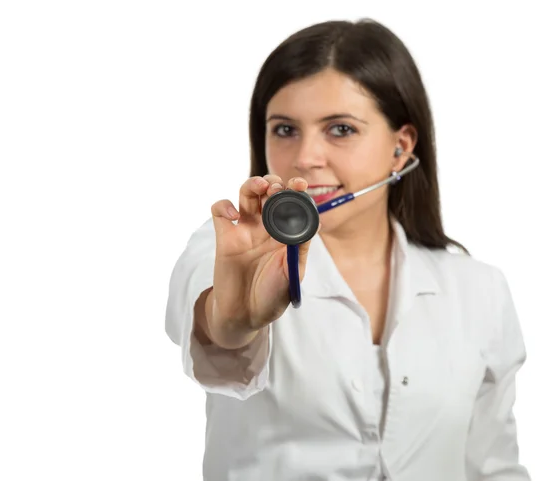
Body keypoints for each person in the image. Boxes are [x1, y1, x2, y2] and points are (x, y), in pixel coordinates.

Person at [164, 18, 531, 481]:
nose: (305, 157)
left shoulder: (480, 290)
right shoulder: (229, 248)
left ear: (400, 149)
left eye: (340, 129)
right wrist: (233, 321)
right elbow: (215, 329)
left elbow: (493, 468)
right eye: (284, 130)